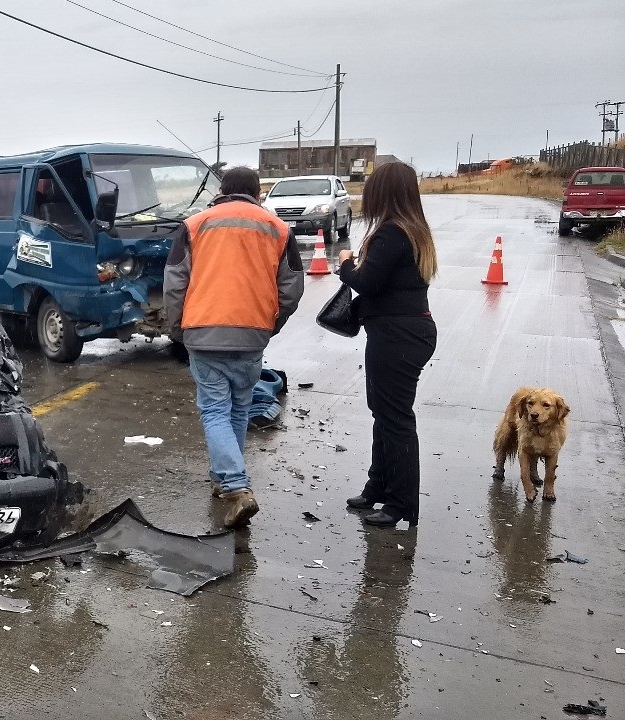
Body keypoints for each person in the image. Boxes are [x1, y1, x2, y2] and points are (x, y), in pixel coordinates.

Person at [164, 166, 304, 528]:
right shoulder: (278, 228)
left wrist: (178, 328)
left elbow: (175, 282)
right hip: (252, 334)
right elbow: (291, 289)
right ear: (258, 194)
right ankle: (224, 475)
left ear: (221, 191)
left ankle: (236, 485)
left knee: (214, 410)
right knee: (239, 408)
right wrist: (270, 324)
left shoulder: (194, 226)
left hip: (204, 332)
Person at [337, 161, 438, 528]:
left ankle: (401, 505)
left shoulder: (391, 233)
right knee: (384, 413)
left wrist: (346, 263)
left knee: (395, 420)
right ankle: (377, 486)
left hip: (398, 336)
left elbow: (367, 282)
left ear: (383, 194)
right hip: (406, 332)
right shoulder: (413, 230)